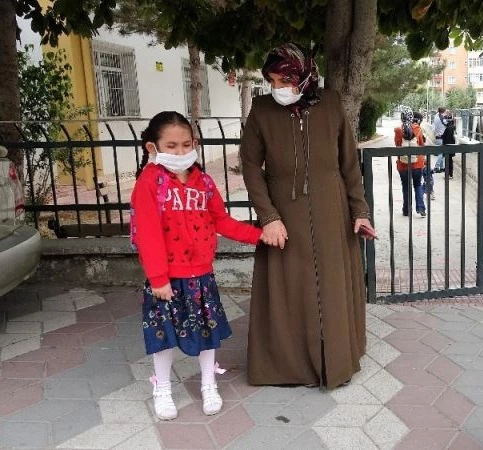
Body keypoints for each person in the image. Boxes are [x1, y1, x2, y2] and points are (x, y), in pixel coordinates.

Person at [239, 43, 377, 390]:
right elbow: (252, 167)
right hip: (284, 214)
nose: (278, 88)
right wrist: (268, 216)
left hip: (332, 212)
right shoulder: (261, 110)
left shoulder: (330, 104)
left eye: (285, 79)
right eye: (272, 80)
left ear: (304, 75)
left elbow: (348, 164)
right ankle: (288, 366)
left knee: (330, 288)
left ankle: (337, 359)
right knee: (288, 289)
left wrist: (359, 211)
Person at [130, 111, 265, 420]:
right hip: (165, 280)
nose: (180, 152)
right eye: (172, 146)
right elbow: (147, 233)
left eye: (186, 144)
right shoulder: (149, 183)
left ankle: (208, 384)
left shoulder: (202, 181)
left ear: (195, 143)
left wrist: (259, 236)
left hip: (201, 276)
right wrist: (158, 278)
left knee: (207, 333)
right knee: (163, 336)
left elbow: (222, 220)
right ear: (153, 148)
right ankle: (162, 389)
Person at [394, 109, 427, 217]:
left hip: (403, 165)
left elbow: (397, 145)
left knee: (405, 186)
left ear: (401, 118)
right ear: (412, 118)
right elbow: (422, 145)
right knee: (417, 185)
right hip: (417, 164)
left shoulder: (398, 130)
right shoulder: (417, 129)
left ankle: (407, 210)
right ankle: (421, 208)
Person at [440, 110, 456, 179]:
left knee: (447, 161)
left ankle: (448, 175)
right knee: (450, 161)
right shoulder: (453, 128)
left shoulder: (447, 128)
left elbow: (444, 136)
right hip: (452, 148)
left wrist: (440, 136)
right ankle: (451, 174)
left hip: (447, 147)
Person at [432, 107, 447, 173]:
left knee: (441, 152)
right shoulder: (442, 118)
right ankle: (436, 167)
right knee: (441, 153)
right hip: (441, 137)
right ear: (443, 112)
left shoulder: (436, 117)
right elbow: (447, 124)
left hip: (437, 136)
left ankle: (442, 167)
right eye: (445, 112)